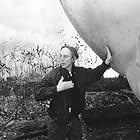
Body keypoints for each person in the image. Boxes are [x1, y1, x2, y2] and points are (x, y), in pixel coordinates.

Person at [34, 44, 112, 140]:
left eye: (66, 56)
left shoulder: (80, 73)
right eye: (61, 56)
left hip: (74, 121)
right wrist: (57, 88)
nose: (62, 59)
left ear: (73, 59)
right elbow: (37, 93)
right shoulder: (54, 74)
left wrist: (106, 62)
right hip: (57, 123)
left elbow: (95, 74)